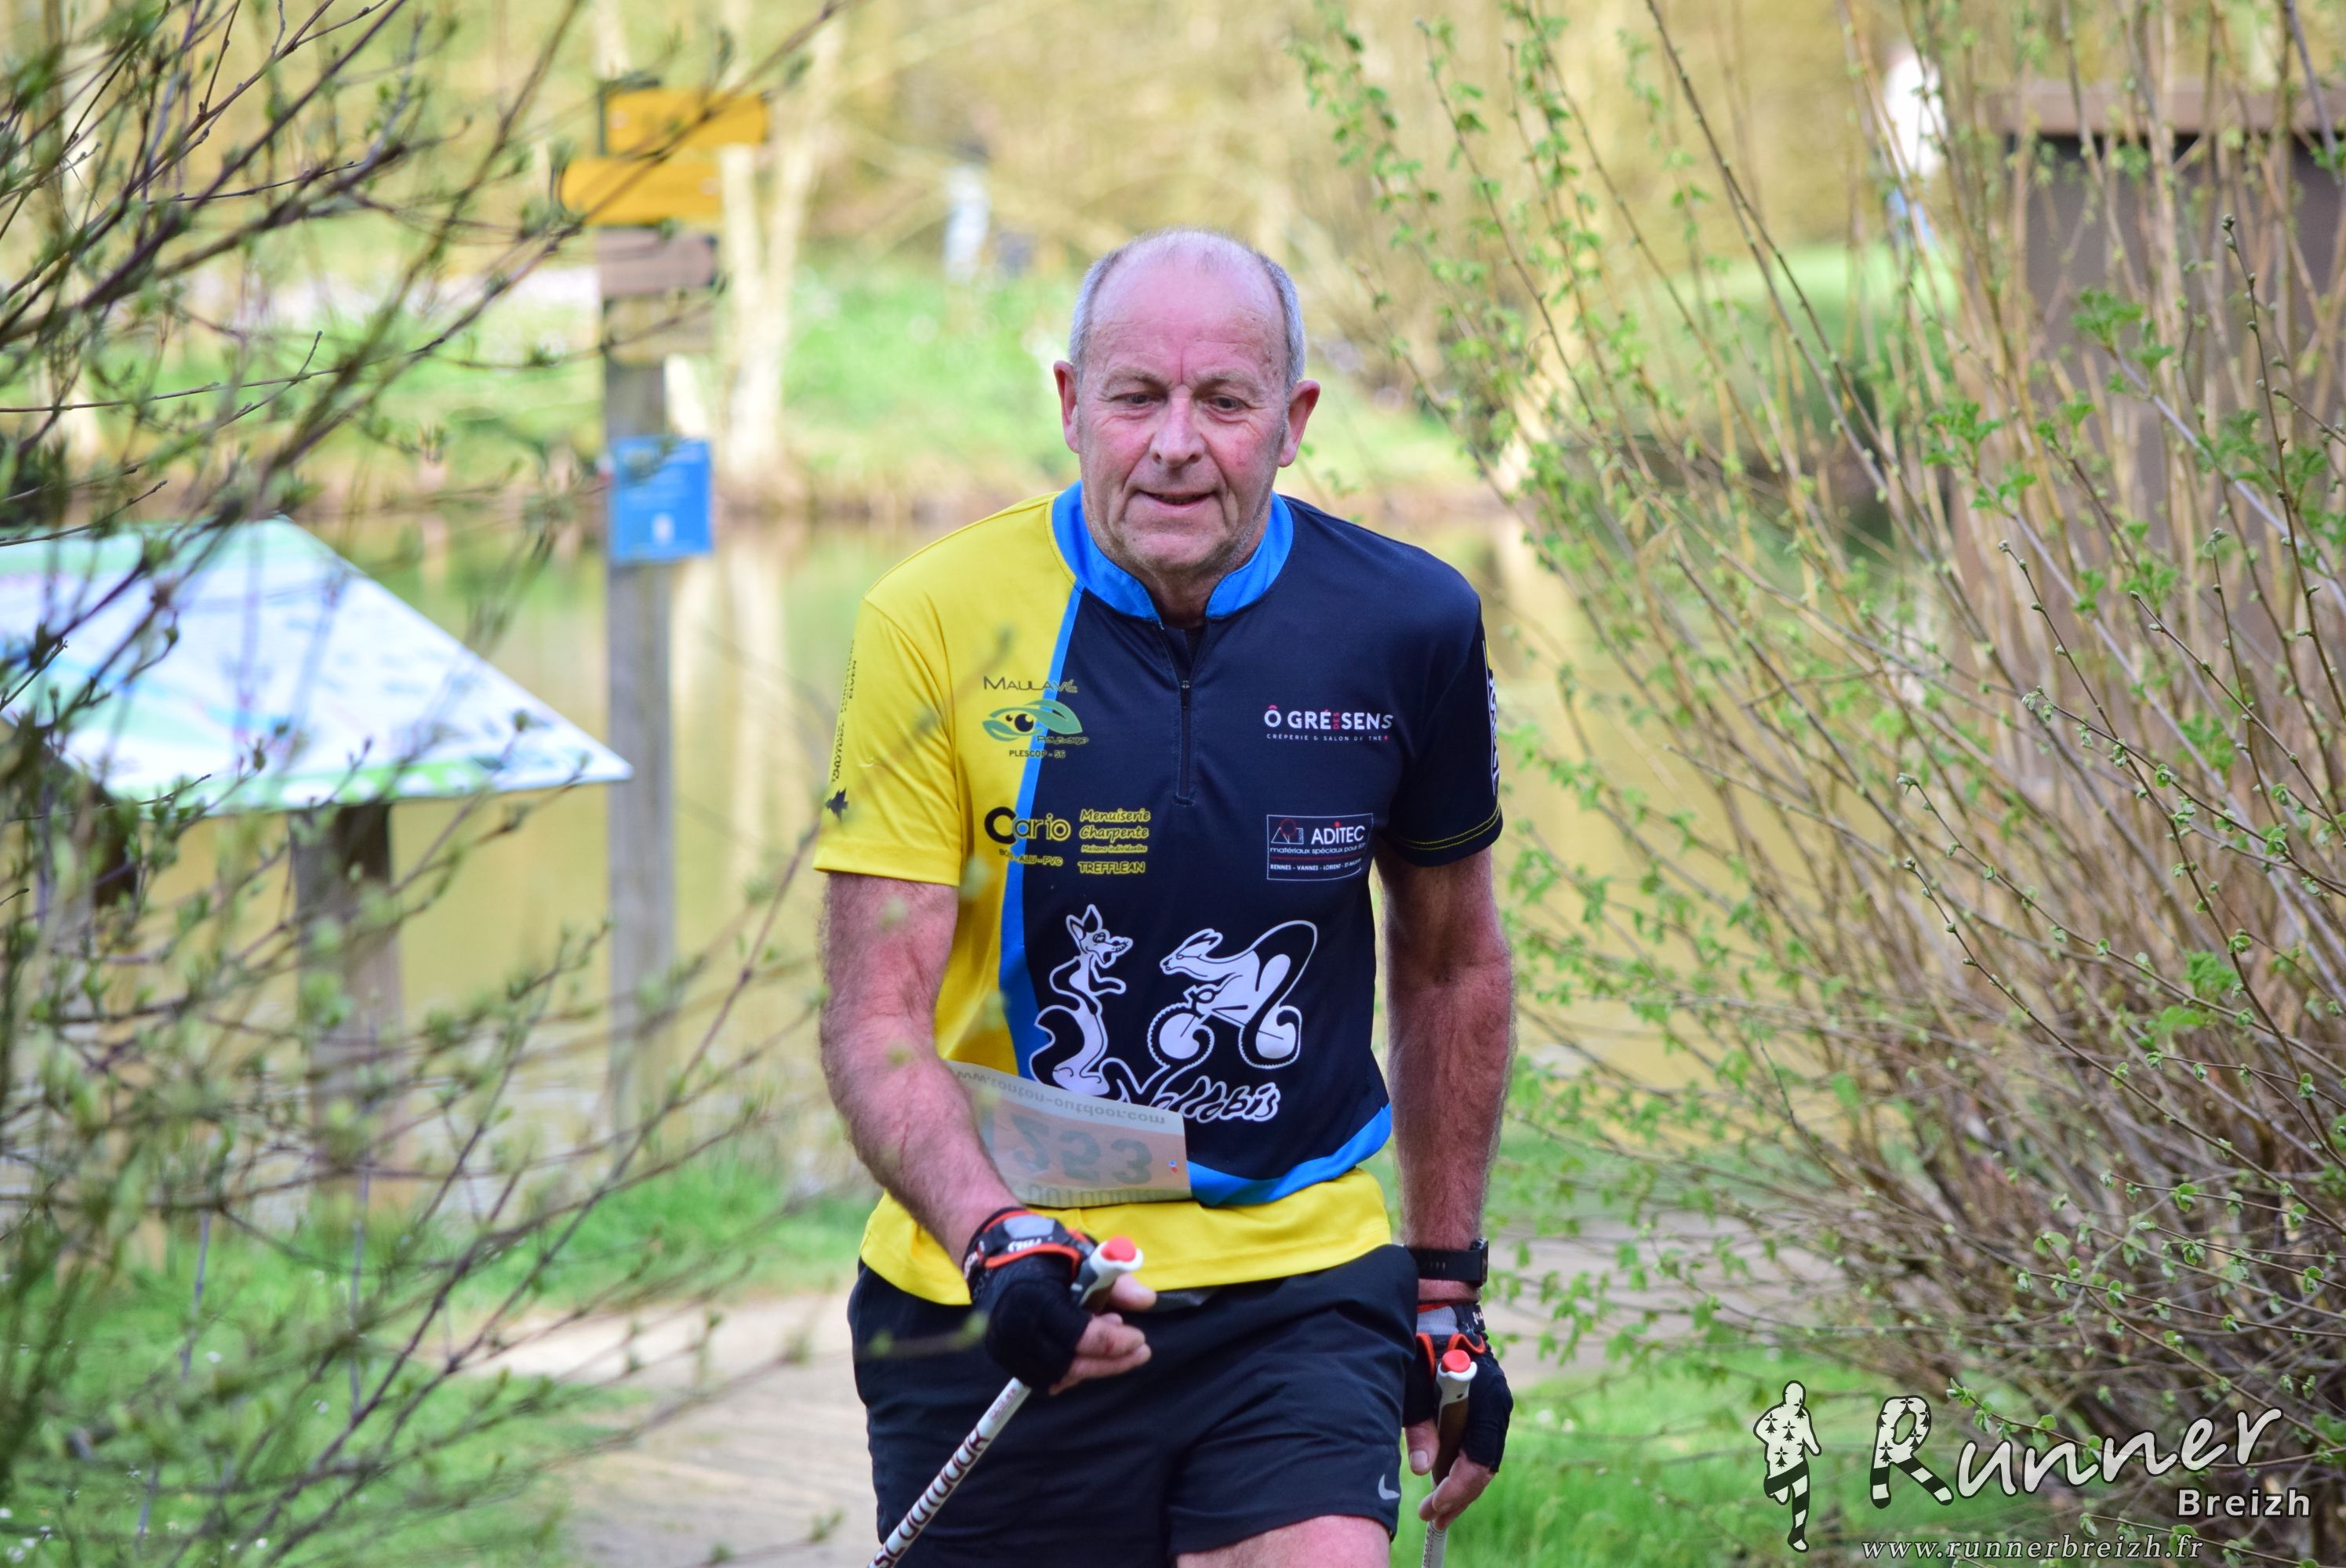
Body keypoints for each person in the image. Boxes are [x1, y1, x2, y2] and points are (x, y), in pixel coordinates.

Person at [815, 226, 1515, 1566]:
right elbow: (875, 1019)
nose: (1176, 445)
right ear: (1072, 404)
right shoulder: (932, 620)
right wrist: (994, 1241)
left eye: (1225, 402)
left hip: (1297, 1288)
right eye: (1136, 397)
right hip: (998, 1291)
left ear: (1294, 422)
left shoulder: (1410, 623)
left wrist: (1446, 1289)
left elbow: (1451, 967)